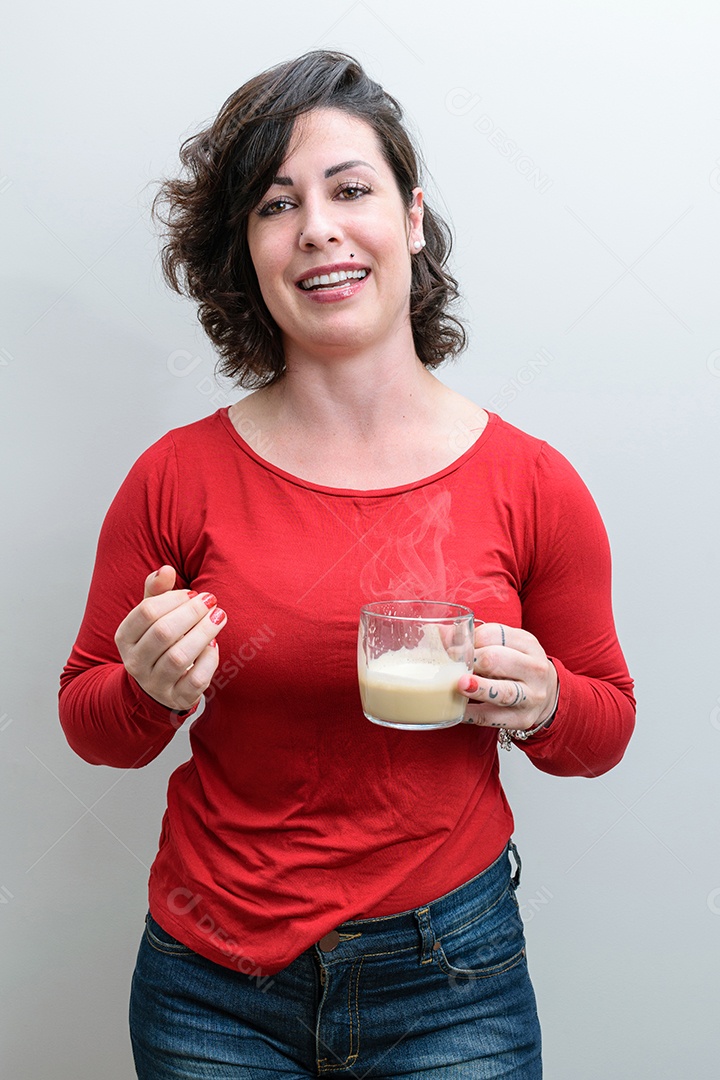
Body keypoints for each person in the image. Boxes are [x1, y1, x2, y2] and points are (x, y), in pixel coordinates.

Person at [59, 50, 635, 1079]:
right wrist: (146, 689)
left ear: (411, 218)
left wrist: (546, 702)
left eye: (350, 189)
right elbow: (88, 721)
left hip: (455, 981)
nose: (318, 226)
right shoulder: (175, 477)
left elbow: (605, 728)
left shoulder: (533, 482)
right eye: (277, 204)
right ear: (249, 250)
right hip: (212, 987)